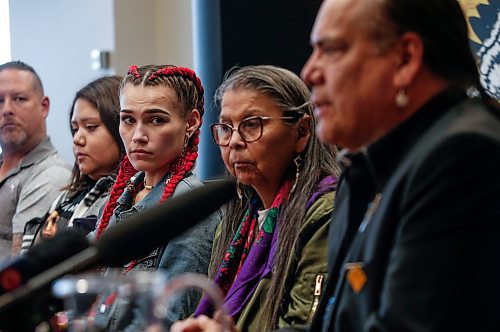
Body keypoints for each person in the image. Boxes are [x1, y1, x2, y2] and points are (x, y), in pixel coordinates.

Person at [300, 0, 500, 331]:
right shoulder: (369, 168)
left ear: (405, 59)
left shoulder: (463, 157)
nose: (309, 72)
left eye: (331, 50)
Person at [171, 65, 340, 332]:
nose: (235, 141)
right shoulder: (235, 219)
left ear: (302, 132)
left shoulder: (325, 213)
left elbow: (305, 327)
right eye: (226, 128)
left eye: (252, 125)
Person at [88, 64, 220, 331]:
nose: (138, 136)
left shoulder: (190, 208)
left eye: (156, 120)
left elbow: (171, 317)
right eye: (128, 120)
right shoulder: (118, 199)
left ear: (191, 123)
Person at [21, 75, 124, 253]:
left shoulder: (128, 199)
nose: (77, 139)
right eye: (75, 129)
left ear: (121, 128)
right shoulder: (67, 195)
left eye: (91, 127)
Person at [0, 61, 70, 257]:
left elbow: (21, 263)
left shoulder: (51, 174)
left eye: (19, 98)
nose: (7, 110)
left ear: (44, 106)